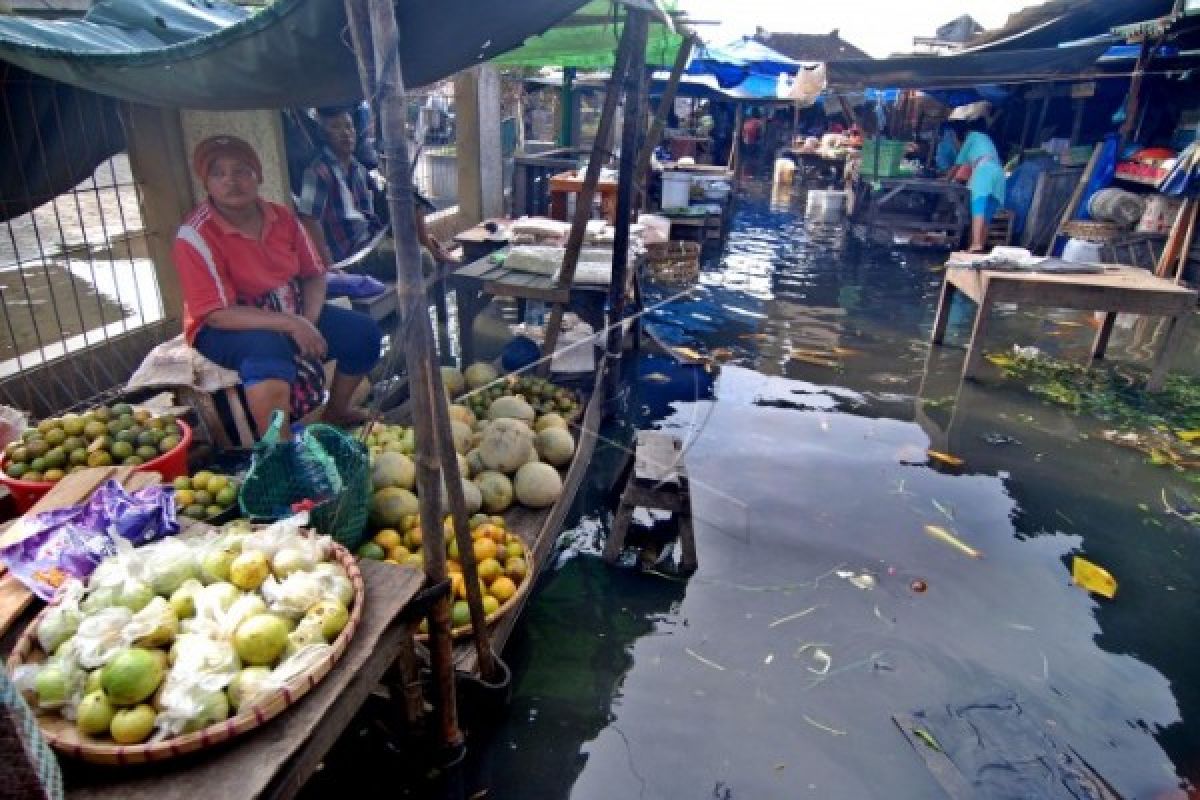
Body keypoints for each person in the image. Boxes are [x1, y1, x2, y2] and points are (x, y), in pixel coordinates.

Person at [173, 135, 382, 436]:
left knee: (363, 333)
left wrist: (307, 322)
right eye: (219, 173)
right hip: (225, 325)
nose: (231, 181)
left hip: (288, 307)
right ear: (207, 184)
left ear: (258, 175)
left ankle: (336, 413)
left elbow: (314, 274)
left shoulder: (282, 217)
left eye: (242, 170)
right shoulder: (194, 235)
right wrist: (290, 324)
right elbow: (216, 313)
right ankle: (281, 450)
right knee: (267, 351)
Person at [953, 118, 1007, 252]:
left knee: (978, 207)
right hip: (999, 172)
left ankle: (976, 243)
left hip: (984, 171)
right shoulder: (986, 140)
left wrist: (946, 179)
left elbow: (958, 164)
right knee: (987, 213)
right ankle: (979, 245)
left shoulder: (971, 136)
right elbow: (965, 170)